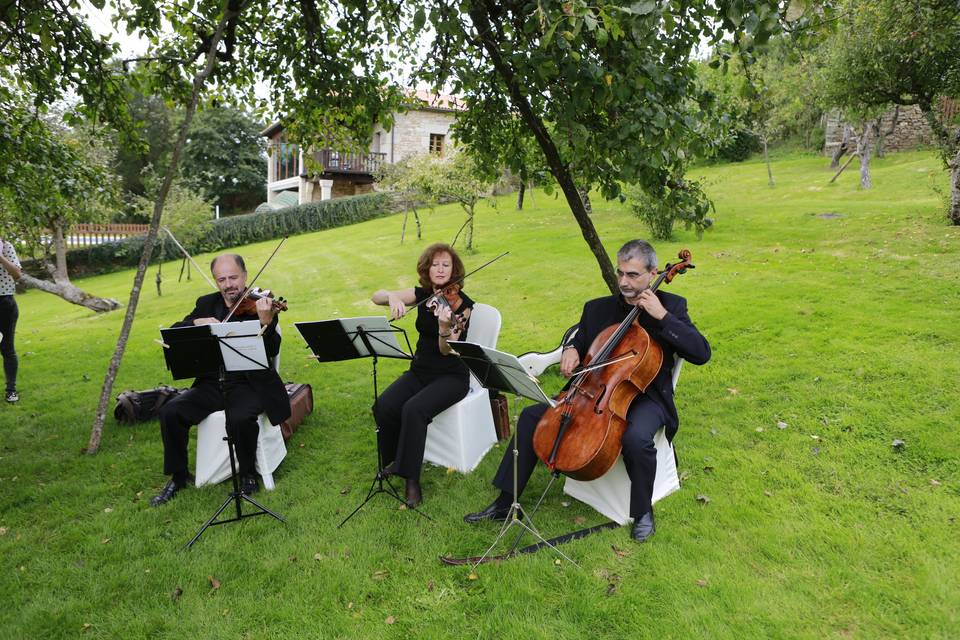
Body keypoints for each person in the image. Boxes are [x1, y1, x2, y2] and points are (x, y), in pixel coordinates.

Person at [464, 239, 711, 542]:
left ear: (652, 273)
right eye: (620, 273)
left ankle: (643, 511)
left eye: (633, 275)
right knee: (531, 417)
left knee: (636, 438)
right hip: (593, 394)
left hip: (646, 396)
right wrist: (570, 348)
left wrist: (662, 316)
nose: (623, 282)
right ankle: (505, 503)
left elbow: (701, 353)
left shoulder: (671, 306)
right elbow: (580, 339)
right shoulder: (598, 308)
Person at [150, 254, 290, 507]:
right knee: (171, 412)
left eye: (233, 277)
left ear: (245, 276)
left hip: (250, 382)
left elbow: (272, 349)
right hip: (213, 382)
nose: (228, 284)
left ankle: (248, 474)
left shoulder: (262, 304)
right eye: (222, 279)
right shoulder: (206, 303)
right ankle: (179, 476)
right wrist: (196, 321)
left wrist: (265, 324)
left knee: (240, 418)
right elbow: (175, 330)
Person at [370, 243, 474, 508]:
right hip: (420, 371)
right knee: (384, 406)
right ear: (427, 268)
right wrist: (393, 297)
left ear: (454, 270)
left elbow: (447, 349)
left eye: (445, 264)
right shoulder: (423, 294)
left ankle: (412, 480)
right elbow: (376, 296)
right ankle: (394, 460)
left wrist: (443, 326)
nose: (440, 269)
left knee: (414, 409)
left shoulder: (463, 306)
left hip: (451, 377)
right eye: (435, 264)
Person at [0, 235, 22, 403]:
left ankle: (11, 390)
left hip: (4, 303)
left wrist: (0, 257)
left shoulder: (6, 246)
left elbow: (17, 274)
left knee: (7, 348)